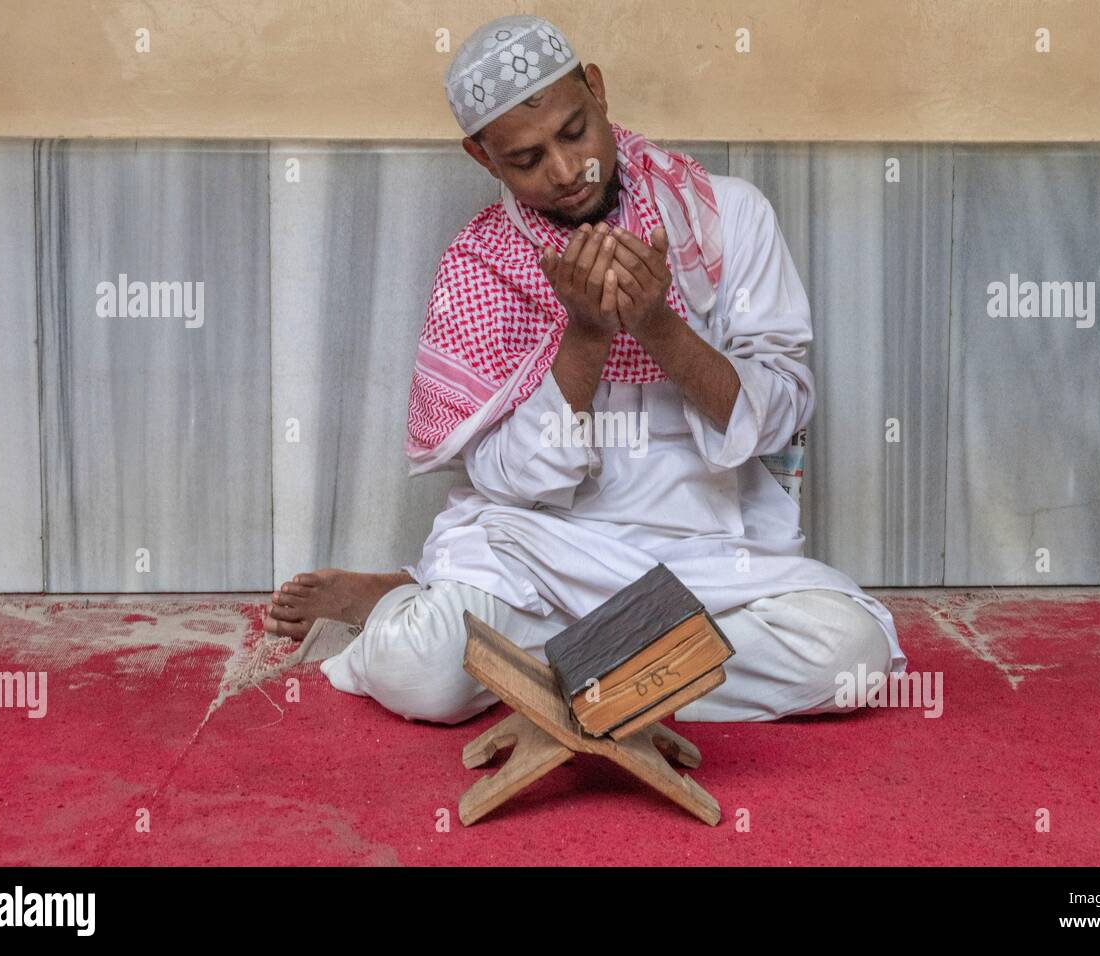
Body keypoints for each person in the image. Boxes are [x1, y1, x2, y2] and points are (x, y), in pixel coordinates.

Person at [264, 14, 907, 724]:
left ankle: (522, 665)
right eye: (527, 159)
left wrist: (658, 324)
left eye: (573, 133)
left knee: (849, 656)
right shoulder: (479, 267)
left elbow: (777, 417)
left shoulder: (729, 218)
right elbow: (509, 481)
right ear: (484, 159)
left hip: (706, 555)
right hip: (543, 550)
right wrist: (586, 336)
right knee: (418, 672)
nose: (568, 173)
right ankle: (617, 671)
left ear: (596, 90)